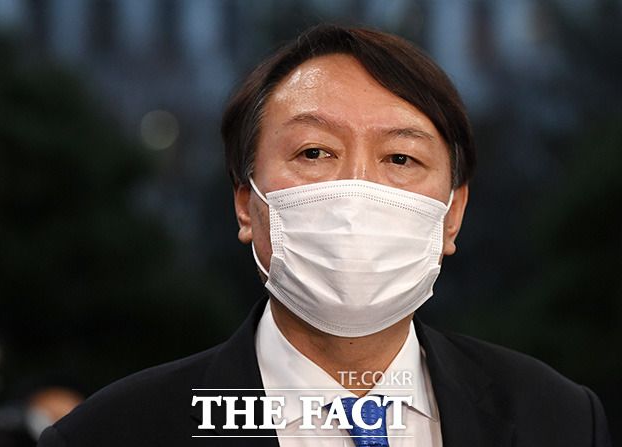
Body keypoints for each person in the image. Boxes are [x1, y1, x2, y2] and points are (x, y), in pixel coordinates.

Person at [37, 24, 612, 447]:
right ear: (246, 204)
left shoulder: (560, 420)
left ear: (452, 213)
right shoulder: (108, 435)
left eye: (401, 158)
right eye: (314, 152)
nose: (356, 191)